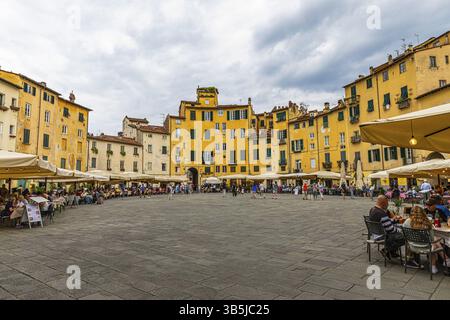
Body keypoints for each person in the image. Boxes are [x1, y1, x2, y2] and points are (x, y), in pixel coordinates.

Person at [403, 206, 450, 274]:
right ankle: (436, 265)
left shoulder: (406, 222)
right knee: (435, 241)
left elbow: (404, 235)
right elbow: (431, 238)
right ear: (423, 213)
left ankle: (446, 260)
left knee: (433, 241)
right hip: (427, 247)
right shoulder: (426, 223)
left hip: (412, 246)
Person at [369, 195, 405, 260]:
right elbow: (391, 230)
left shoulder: (373, 209)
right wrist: (401, 230)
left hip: (375, 233)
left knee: (397, 231)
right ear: (383, 203)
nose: (388, 205)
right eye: (387, 203)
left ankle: (391, 252)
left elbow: (383, 222)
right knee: (404, 236)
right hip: (383, 236)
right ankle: (386, 250)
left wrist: (394, 220)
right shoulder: (381, 213)